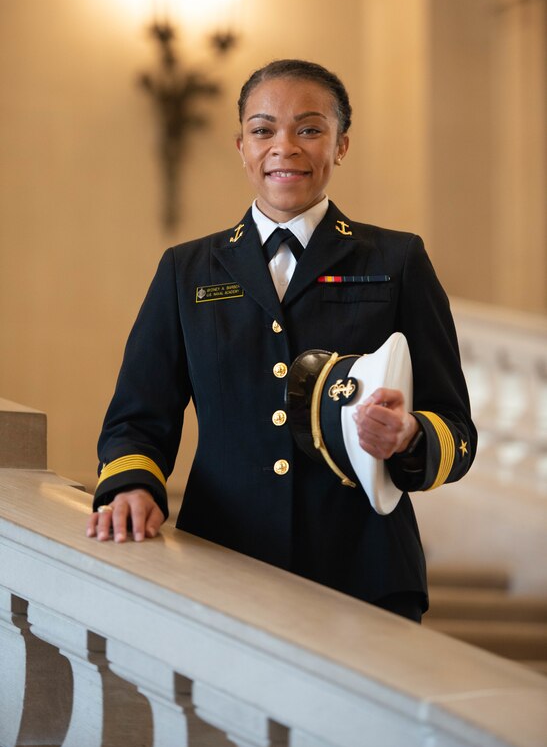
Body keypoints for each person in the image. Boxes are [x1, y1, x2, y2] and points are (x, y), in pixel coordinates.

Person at [87, 59, 476, 623]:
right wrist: (131, 487)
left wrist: (410, 435)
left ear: (341, 145)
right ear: (241, 145)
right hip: (221, 567)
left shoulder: (397, 261)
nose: (284, 147)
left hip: (365, 574)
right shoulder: (186, 270)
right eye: (263, 129)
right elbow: (138, 417)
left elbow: (456, 429)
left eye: (310, 129)